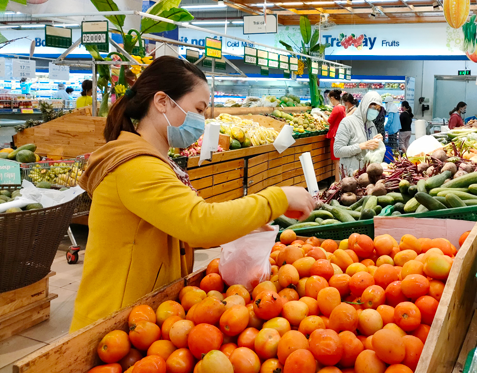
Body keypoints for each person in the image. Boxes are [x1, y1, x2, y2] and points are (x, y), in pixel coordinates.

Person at [70, 56, 314, 332]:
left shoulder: (154, 160)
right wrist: (277, 198)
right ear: (162, 102)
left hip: (141, 317)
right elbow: (198, 222)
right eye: (198, 109)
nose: (200, 121)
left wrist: (243, 224)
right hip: (111, 322)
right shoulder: (135, 165)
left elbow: (175, 227)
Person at [334, 91, 384, 175]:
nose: (376, 111)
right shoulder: (347, 122)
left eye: (378, 109)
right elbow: (337, 151)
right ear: (365, 105)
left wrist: (378, 143)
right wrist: (361, 146)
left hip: (367, 175)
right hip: (350, 175)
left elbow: (371, 150)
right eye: (373, 108)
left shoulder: (371, 124)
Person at [326, 89, 346, 181]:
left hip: (334, 136)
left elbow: (328, 122)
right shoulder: (342, 107)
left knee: (336, 161)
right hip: (340, 135)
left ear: (332, 98)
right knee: (339, 160)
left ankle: (337, 182)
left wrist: (320, 115)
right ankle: (340, 180)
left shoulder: (336, 108)